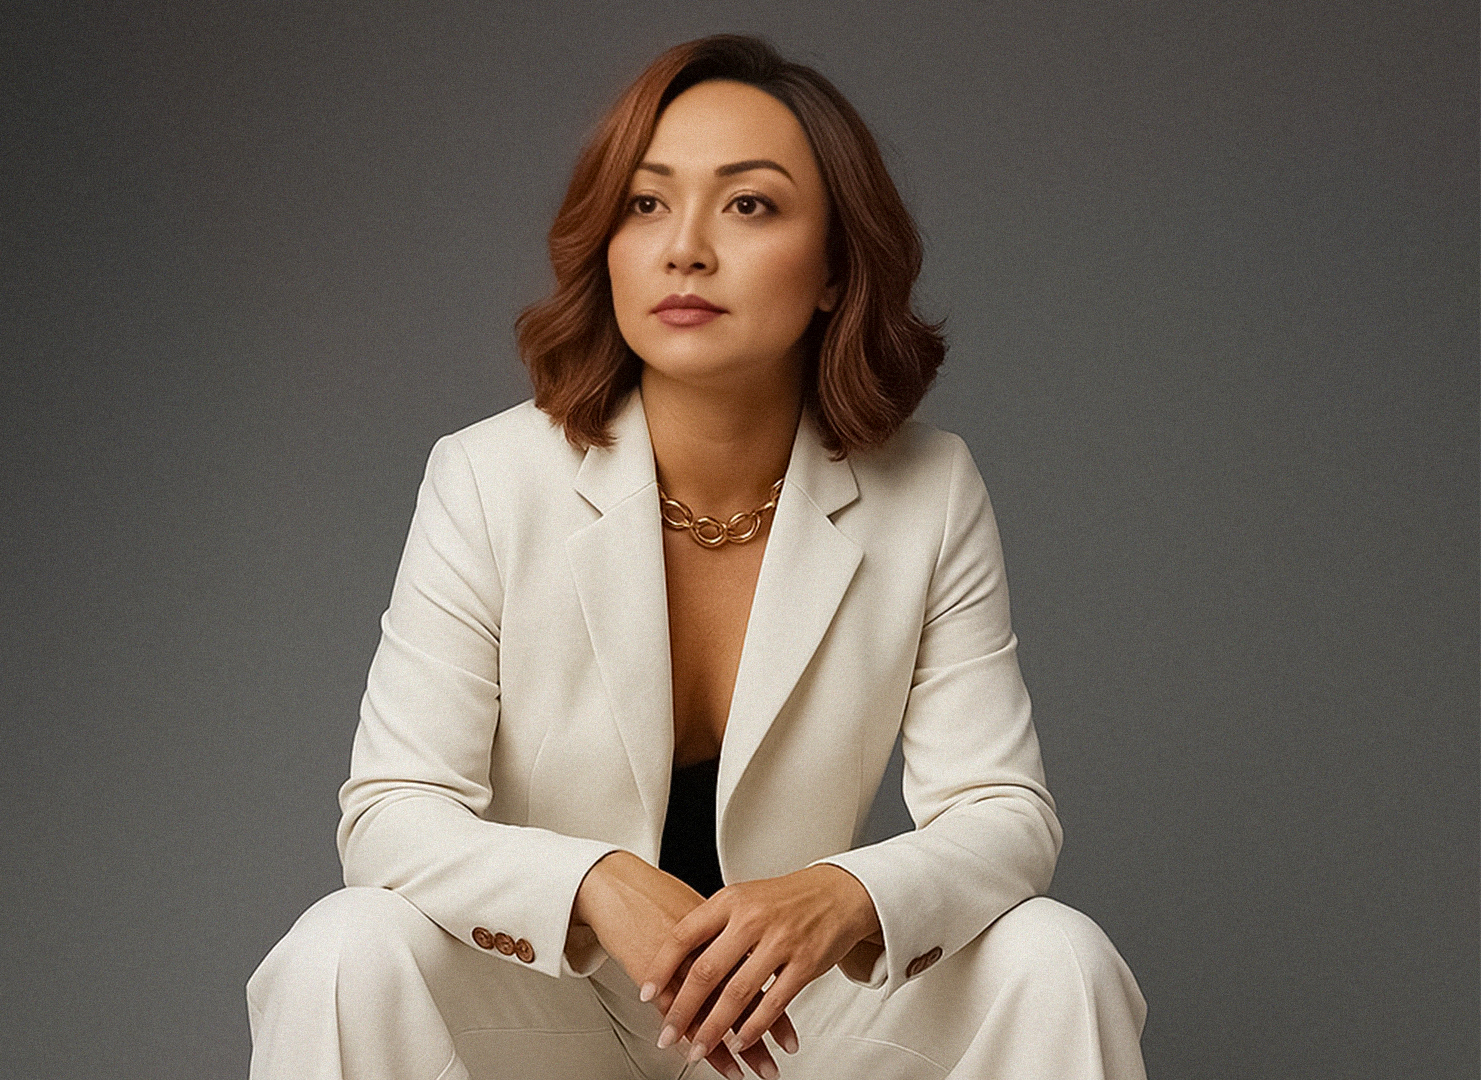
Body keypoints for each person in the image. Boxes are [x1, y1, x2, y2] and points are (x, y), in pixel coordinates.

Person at [246, 34, 1148, 1080]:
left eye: (748, 205)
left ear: (833, 267)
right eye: (645, 203)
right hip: (552, 1019)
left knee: (1057, 958)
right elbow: (390, 812)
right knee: (342, 948)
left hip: (798, 1025)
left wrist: (843, 895)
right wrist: (594, 882)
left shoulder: (927, 490)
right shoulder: (488, 476)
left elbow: (1003, 814)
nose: (684, 248)